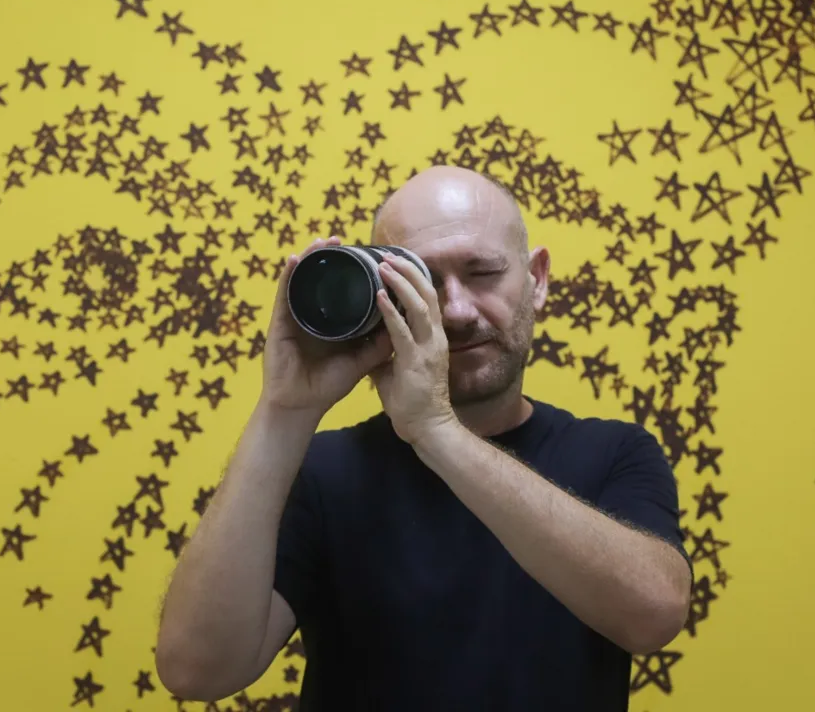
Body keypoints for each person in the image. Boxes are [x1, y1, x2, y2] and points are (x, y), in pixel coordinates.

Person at [155, 165, 693, 710]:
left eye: (483, 272)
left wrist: (436, 430)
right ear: (378, 293)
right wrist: (284, 409)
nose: (456, 310)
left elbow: (652, 617)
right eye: (424, 281)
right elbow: (195, 670)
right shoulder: (325, 473)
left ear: (537, 278)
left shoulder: (615, 454)